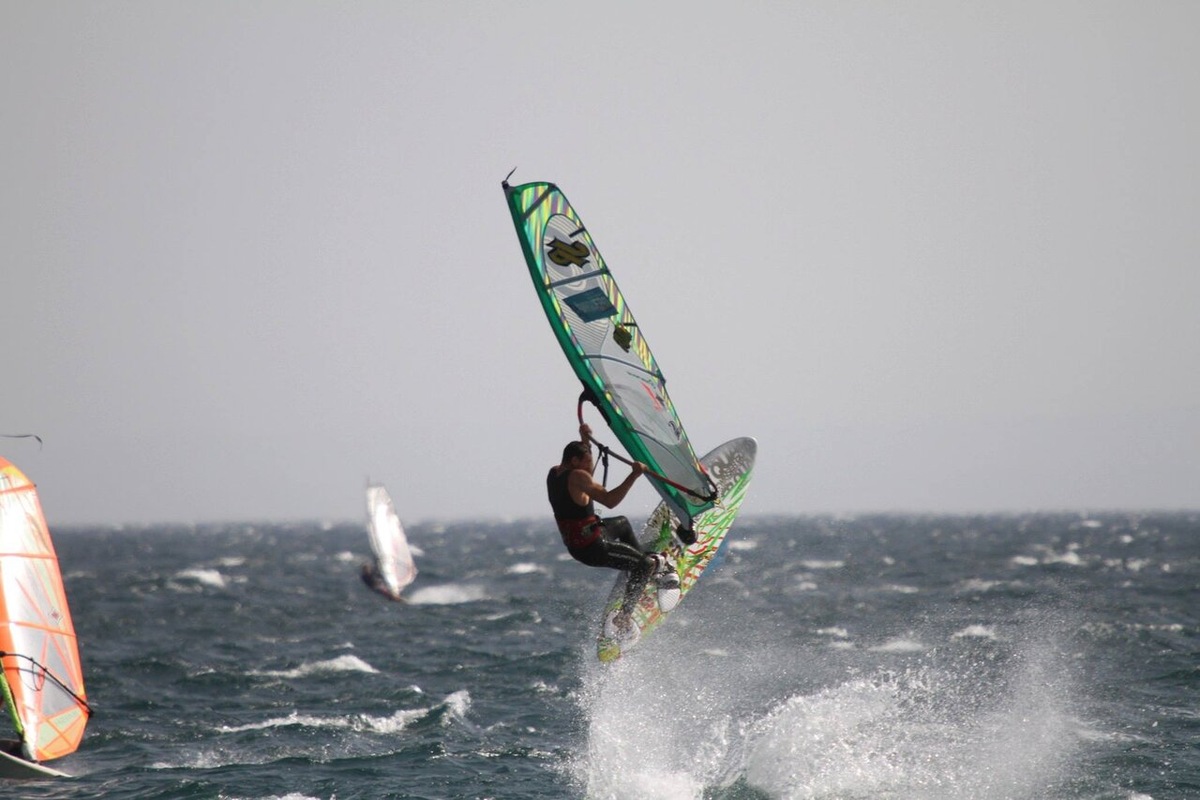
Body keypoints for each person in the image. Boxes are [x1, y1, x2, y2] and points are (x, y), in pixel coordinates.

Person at [547, 424, 679, 632]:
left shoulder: (555, 473)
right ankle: (624, 618)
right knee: (644, 564)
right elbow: (609, 500)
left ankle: (638, 567)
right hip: (593, 548)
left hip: (581, 541)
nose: (590, 468)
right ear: (575, 462)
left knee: (622, 524)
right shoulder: (578, 477)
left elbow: (584, 476)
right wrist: (634, 475)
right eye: (587, 462)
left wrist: (585, 441)